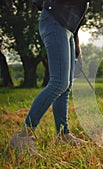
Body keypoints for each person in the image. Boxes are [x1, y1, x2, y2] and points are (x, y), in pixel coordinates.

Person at [9, 0, 90, 156]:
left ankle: (63, 135)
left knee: (66, 87)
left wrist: (77, 49)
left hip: (67, 32)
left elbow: (75, 24)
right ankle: (23, 135)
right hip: (54, 23)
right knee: (59, 83)